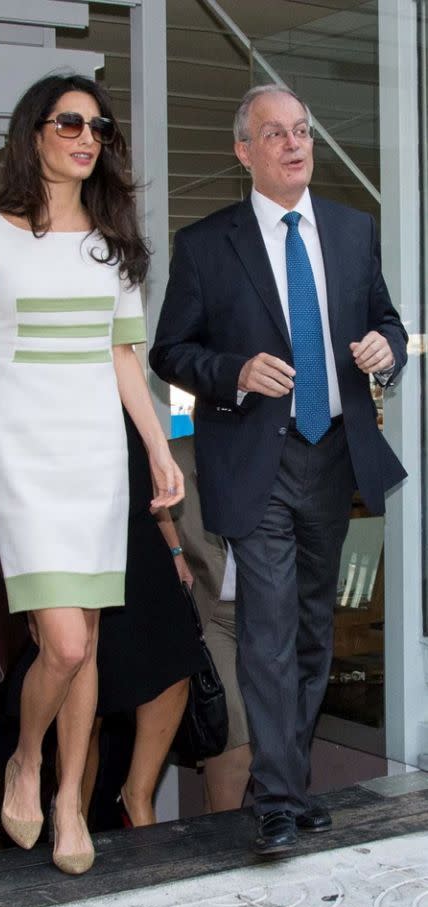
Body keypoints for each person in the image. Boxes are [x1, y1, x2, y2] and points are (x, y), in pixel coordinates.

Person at [150, 83, 408, 856]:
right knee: (265, 625)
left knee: (309, 634)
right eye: (275, 134)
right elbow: (170, 351)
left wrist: (384, 350)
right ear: (244, 151)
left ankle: (287, 787)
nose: (295, 145)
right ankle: (277, 799)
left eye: (302, 132)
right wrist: (233, 370)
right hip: (254, 460)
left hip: (332, 455)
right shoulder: (206, 245)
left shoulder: (354, 229)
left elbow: (386, 320)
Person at [0, 73, 183, 874]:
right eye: (71, 123)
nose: (88, 139)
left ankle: (69, 800)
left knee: (84, 643)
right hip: (21, 454)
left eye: (100, 129)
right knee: (63, 641)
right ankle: (24, 757)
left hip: (94, 457)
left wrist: (156, 446)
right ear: (36, 132)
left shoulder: (112, 241)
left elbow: (125, 359)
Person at [87, 411, 207, 828]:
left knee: (176, 663)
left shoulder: (123, 392)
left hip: (138, 532)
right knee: (86, 686)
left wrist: (175, 551)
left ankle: (138, 795)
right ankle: (71, 813)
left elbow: (152, 475)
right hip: (72, 538)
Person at [168, 435, 252, 813]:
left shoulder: (274, 454)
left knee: (270, 736)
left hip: (267, 616)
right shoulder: (174, 457)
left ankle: (215, 842)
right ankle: (225, 853)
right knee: (235, 742)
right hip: (212, 614)